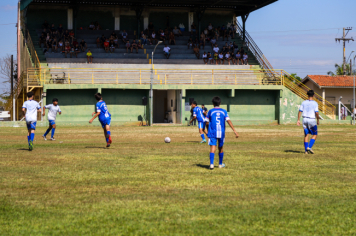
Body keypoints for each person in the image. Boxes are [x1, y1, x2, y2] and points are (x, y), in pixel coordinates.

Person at [206, 96, 239, 169]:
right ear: (220, 103)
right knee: (220, 147)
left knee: (213, 146)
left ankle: (211, 164)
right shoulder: (224, 111)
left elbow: (206, 122)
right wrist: (234, 131)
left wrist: (208, 130)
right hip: (221, 132)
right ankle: (220, 164)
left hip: (213, 132)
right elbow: (228, 121)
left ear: (213, 104)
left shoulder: (210, 111)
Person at [297, 90, 320, 154]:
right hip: (311, 120)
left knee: (306, 134)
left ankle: (306, 151)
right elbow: (317, 113)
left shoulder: (304, 102)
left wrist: (298, 120)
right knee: (315, 134)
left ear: (307, 95)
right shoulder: (315, 103)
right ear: (313, 95)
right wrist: (318, 120)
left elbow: (300, 111)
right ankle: (309, 147)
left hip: (304, 119)